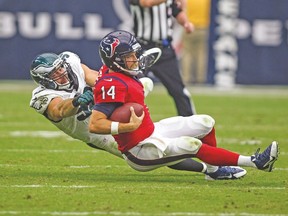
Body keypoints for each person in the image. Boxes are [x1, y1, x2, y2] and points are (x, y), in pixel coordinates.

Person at [88, 30, 279, 176]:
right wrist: (125, 126)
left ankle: (214, 172)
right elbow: (95, 124)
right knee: (191, 145)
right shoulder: (111, 84)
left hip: (151, 130)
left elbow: (130, 95)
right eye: (129, 57)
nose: (135, 59)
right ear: (115, 61)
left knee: (205, 122)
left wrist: (143, 86)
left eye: (134, 54)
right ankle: (255, 162)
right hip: (139, 150)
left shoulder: (116, 71)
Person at [29, 50, 242, 180]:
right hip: (96, 132)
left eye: (60, 68)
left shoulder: (71, 63)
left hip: (107, 110)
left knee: (142, 88)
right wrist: (77, 100)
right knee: (154, 149)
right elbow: (59, 110)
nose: (61, 73)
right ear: (43, 80)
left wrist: (104, 87)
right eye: (54, 73)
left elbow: (95, 77)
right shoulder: (42, 96)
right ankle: (208, 168)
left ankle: (139, 86)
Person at [129, 0, 196, 116]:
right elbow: (146, 2)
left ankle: (190, 121)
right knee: (132, 87)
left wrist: (185, 23)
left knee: (178, 90)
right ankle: (122, 122)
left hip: (165, 49)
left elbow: (177, 11)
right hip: (142, 49)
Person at [181, 0, 210, 85]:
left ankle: (187, 77)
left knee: (187, 53)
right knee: (201, 54)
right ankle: (200, 78)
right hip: (202, 27)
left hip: (188, 26)